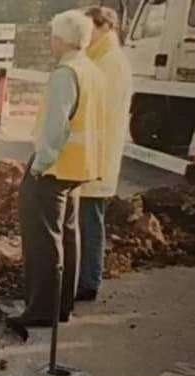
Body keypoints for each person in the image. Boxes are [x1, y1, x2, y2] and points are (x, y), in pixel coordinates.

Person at [10, 10, 106, 328]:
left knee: (42, 240)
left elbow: (55, 128)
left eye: (52, 35)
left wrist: (38, 166)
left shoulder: (66, 73)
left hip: (54, 167)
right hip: (80, 166)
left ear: (62, 39)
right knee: (67, 235)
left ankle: (40, 311)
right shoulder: (91, 70)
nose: (50, 40)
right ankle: (60, 306)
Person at [76, 6, 133, 302]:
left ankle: (89, 281)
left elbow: (97, 110)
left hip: (96, 156)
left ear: (104, 27)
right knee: (87, 220)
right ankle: (85, 277)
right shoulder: (103, 58)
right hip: (93, 155)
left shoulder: (109, 62)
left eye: (90, 29)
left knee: (91, 220)